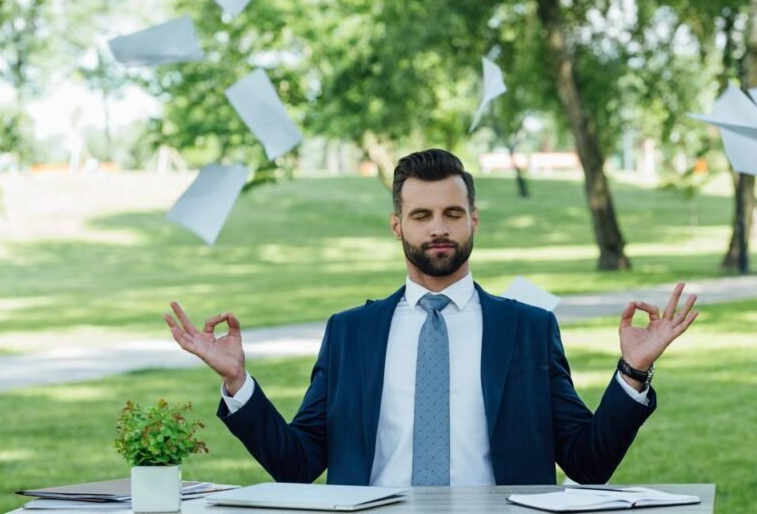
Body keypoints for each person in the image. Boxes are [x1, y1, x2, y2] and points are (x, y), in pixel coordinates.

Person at [165, 148, 698, 487]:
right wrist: (237, 381)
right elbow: (298, 464)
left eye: (452, 214)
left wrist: (632, 372)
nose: (438, 228)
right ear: (398, 226)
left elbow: (588, 463)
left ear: (474, 220)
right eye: (422, 215)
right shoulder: (351, 333)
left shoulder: (529, 329)